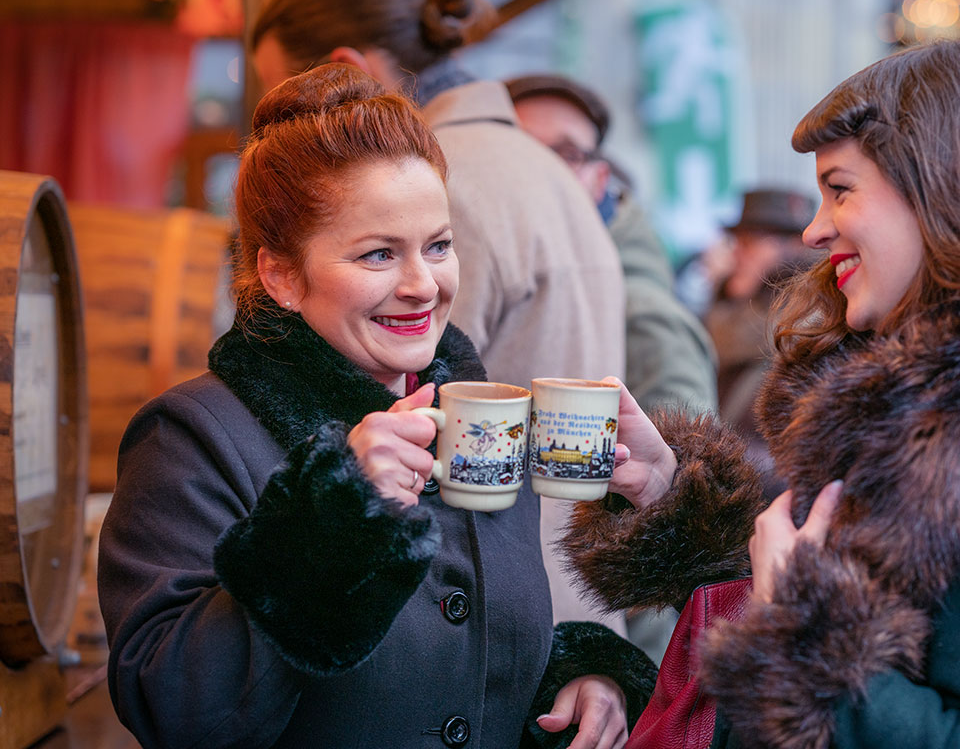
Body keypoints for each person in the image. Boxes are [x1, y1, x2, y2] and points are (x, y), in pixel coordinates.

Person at [558, 37, 960, 748]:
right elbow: (843, 589)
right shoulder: (912, 394)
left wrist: (803, 627)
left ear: (941, 187)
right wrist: (673, 497)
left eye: (841, 188)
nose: (813, 227)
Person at [98, 64, 655, 749]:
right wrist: (337, 519)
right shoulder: (193, 438)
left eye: (439, 246)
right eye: (378, 254)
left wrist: (576, 674)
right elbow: (174, 709)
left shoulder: (480, 422)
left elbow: (459, 652)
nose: (423, 284)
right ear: (281, 274)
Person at [249, 0, 627, 633]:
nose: (276, 143)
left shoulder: (438, 185)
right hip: (578, 597)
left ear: (344, 70)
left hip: (498, 620)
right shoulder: (542, 164)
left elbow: (402, 388)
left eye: (282, 97)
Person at [505, 73, 718, 417]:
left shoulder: (640, 310)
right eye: (520, 149)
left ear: (600, 180)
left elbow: (693, 455)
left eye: (566, 154)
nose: (541, 170)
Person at [702, 187, 817, 495]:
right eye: (735, 242)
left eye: (750, 243)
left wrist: (704, 463)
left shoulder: (806, 341)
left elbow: (797, 466)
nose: (735, 254)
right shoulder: (726, 322)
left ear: (795, 247)